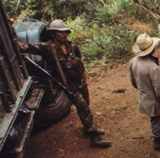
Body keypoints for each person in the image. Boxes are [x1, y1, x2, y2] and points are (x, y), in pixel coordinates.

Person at [18, 20, 111, 148]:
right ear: (53, 34)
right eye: (60, 32)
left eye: (65, 32)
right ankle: (93, 136)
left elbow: (78, 57)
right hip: (68, 85)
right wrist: (16, 45)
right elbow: (27, 48)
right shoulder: (48, 48)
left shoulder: (71, 45)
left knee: (86, 104)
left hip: (80, 81)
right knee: (83, 107)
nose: (64, 34)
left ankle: (87, 127)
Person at [129, 33, 160, 151]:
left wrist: (142, 89)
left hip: (144, 96)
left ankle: (159, 135)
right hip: (154, 99)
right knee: (158, 119)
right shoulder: (152, 67)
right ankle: (158, 141)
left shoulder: (134, 61)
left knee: (155, 119)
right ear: (152, 49)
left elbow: (133, 81)